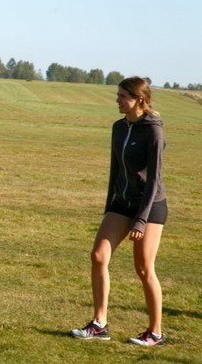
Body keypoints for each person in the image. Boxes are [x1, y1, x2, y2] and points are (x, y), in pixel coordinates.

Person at [71, 76, 168, 346]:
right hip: (121, 202)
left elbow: (154, 180)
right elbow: (115, 170)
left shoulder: (153, 130)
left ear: (139, 99)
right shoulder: (118, 127)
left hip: (149, 205)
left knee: (144, 268)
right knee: (98, 256)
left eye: (123, 96)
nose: (118, 100)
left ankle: (155, 332)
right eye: (118, 95)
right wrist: (108, 207)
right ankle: (99, 324)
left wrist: (141, 220)